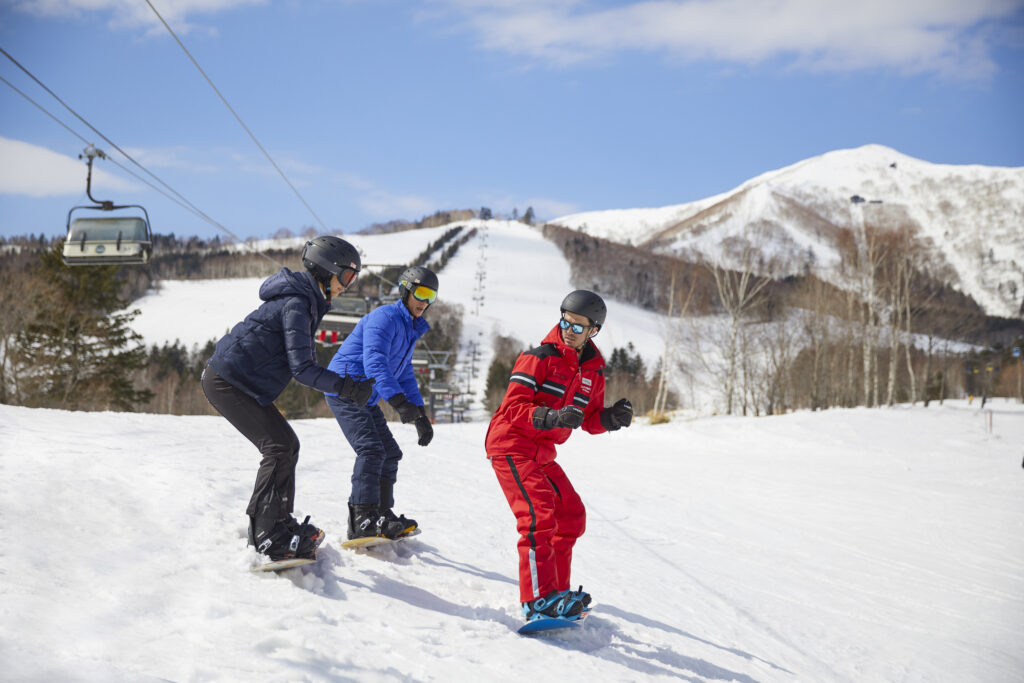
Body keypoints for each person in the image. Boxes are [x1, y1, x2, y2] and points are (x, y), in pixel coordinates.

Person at [202, 236, 375, 561]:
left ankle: (278, 522)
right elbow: (303, 368)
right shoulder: (297, 303)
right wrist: (346, 388)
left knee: (286, 444)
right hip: (227, 381)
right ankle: (266, 535)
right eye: (347, 277)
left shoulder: (305, 300)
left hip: (241, 382)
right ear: (327, 270)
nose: (347, 286)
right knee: (278, 446)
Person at [485, 289, 634, 622]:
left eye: (579, 327)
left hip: (542, 452)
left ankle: (558, 594)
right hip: (511, 442)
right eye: (565, 322)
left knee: (571, 515)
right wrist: (550, 416)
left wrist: (611, 418)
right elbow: (512, 408)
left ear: (594, 330)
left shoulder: (592, 372)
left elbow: (590, 418)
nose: (570, 330)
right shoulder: (539, 357)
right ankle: (537, 601)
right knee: (538, 514)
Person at [326, 265, 437, 540]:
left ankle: (381, 514)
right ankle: (361, 518)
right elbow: (375, 363)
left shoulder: (408, 328)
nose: (425, 302)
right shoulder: (384, 318)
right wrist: (399, 403)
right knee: (371, 450)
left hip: (366, 396)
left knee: (391, 453)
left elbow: (405, 372)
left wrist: (419, 414)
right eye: (421, 293)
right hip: (345, 388)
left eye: (431, 297)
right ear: (406, 290)